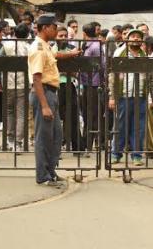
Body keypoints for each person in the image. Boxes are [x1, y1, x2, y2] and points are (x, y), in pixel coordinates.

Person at [28, 14, 81, 186]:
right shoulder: (38, 48)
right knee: (44, 137)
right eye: (54, 27)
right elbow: (36, 78)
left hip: (51, 92)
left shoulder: (46, 46)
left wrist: (71, 54)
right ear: (44, 28)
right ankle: (43, 176)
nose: (56, 30)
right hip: (43, 93)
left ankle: (50, 172)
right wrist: (44, 106)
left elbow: (55, 55)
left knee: (56, 136)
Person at [109, 29, 148, 166]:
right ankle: (116, 153)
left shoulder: (144, 55)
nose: (136, 38)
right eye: (133, 36)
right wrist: (112, 96)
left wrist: (151, 97)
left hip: (140, 96)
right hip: (123, 95)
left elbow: (150, 77)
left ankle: (137, 155)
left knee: (139, 127)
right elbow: (113, 76)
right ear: (127, 39)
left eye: (138, 37)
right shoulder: (120, 53)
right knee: (120, 126)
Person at [55, 26, 82, 155]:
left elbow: (75, 70)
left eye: (65, 35)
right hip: (56, 85)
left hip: (69, 84)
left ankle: (77, 147)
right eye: (60, 35)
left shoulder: (72, 48)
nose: (64, 38)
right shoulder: (51, 48)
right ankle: (57, 147)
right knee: (56, 117)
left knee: (72, 116)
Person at [4, 23, 30, 151]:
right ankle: (18, 143)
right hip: (22, 83)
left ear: (15, 33)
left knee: (9, 111)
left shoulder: (7, 44)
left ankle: (10, 139)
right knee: (21, 113)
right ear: (27, 34)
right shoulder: (28, 47)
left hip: (8, 82)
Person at [80, 22, 103, 153]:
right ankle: (86, 142)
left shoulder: (95, 46)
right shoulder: (86, 45)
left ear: (84, 33)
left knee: (92, 114)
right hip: (86, 82)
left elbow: (102, 65)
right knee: (86, 113)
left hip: (94, 83)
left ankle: (89, 143)